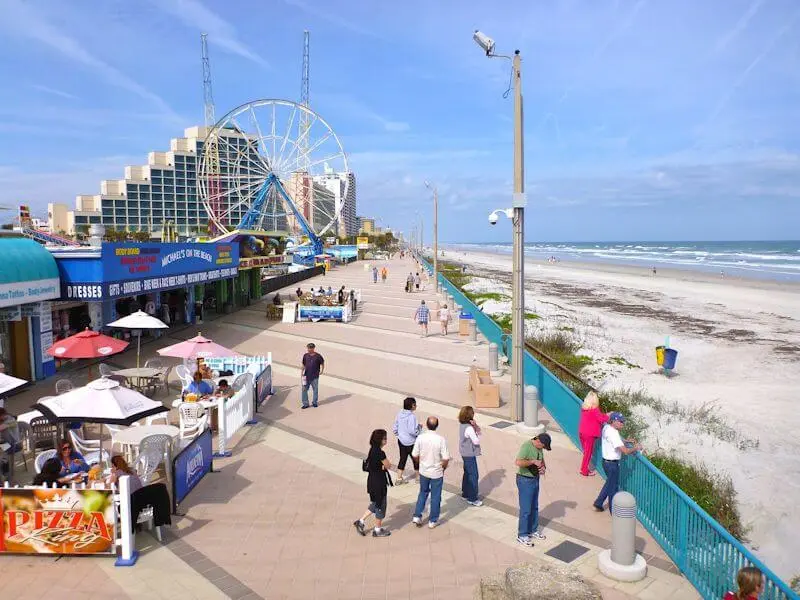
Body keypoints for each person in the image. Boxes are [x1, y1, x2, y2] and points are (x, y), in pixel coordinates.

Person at [593, 412, 641, 513]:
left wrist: (625, 441)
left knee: (610, 483)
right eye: (620, 421)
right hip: (612, 464)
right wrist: (636, 447)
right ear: (614, 421)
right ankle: (613, 511)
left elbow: (615, 439)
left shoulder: (607, 427)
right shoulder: (614, 433)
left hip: (605, 462)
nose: (622, 423)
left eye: (623, 421)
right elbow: (625, 451)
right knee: (613, 488)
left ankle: (598, 502)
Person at [353, 429, 393, 538]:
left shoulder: (372, 450)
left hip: (372, 481)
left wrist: (382, 466)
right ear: (380, 440)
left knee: (375, 503)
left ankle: (360, 521)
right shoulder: (380, 453)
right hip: (379, 483)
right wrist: (385, 466)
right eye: (385, 438)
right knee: (380, 505)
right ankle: (377, 530)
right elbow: (388, 465)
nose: (386, 440)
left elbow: (375, 465)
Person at [411, 416, 450, 529]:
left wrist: (420, 463)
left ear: (427, 425)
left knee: (423, 492)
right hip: (437, 472)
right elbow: (446, 458)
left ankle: (417, 516)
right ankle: (433, 520)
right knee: (436, 496)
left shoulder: (420, 438)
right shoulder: (441, 439)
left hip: (424, 471)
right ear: (437, 426)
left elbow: (414, 455)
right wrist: (443, 467)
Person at [515, 433, 552, 546]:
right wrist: (532, 462)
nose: (543, 449)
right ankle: (522, 535)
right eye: (543, 446)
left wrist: (543, 468)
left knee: (534, 506)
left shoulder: (539, 448)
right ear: (539, 442)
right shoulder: (526, 446)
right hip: (525, 480)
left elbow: (541, 459)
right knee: (526, 509)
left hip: (535, 479)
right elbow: (518, 462)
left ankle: (533, 530)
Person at [578, 391, 609, 477]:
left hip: (582, 432)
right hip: (589, 435)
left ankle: (585, 468)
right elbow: (602, 419)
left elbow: (597, 416)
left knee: (586, 452)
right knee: (588, 453)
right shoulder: (595, 410)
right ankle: (584, 470)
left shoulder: (585, 409)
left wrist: (604, 415)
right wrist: (608, 416)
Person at [392, 397, 422, 484]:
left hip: (401, 441)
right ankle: (418, 478)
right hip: (411, 442)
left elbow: (395, 427)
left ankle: (399, 478)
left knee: (402, 458)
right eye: (415, 404)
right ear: (412, 406)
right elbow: (412, 431)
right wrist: (419, 429)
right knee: (415, 459)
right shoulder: (412, 417)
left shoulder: (399, 413)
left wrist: (399, 435)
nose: (416, 406)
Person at [458, 406, 482, 506]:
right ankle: (472, 498)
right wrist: (476, 428)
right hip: (469, 454)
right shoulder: (469, 428)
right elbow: (476, 441)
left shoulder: (462, 425)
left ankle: (465, 493)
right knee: (474, 475)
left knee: (467, 473)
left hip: (464, 452)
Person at [301, 342, 325, 409]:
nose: (309, 349)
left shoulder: (318, 356)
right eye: (308, 348)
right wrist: (302, 372)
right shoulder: (305, 355)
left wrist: (322, 371)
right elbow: (303, 364)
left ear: (313, 348)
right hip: (306, 376)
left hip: (315, 377)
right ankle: (305, 404)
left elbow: (322, 363)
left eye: (310, 348)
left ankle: (314, 402)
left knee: (315, 390)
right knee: (304, 390)